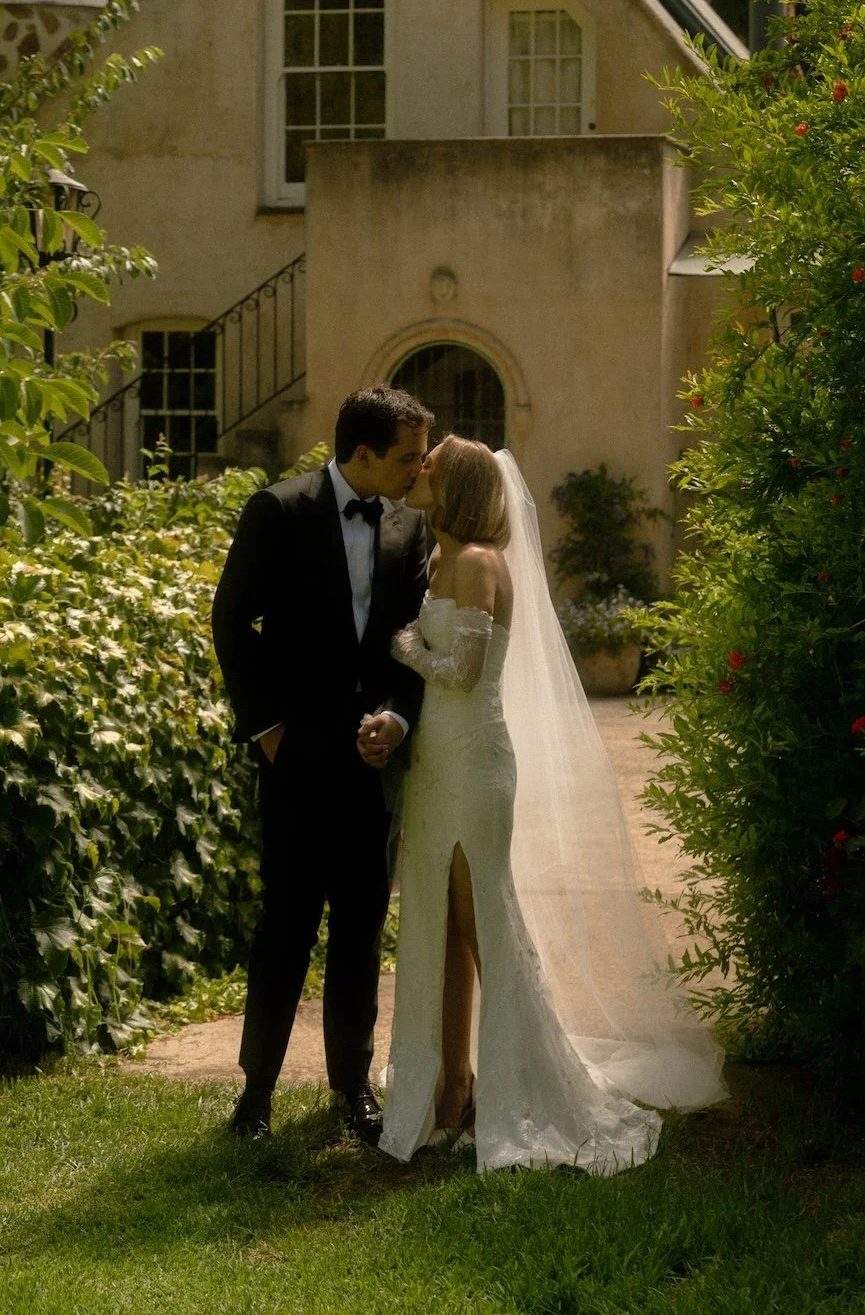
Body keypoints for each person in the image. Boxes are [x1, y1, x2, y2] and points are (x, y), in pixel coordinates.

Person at [380, 436, 727, 1174]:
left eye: (429, 464)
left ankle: (522, 1081)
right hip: (435, 764)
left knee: (482, 923)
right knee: (442, 925)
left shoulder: (480, 563)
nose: (417, 469)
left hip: (476, 765)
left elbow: (463, 672)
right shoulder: (439, 560)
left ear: (456, 486)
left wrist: (403, 645)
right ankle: (450, 1089)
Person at [210, 385, 432, 1143]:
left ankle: (353, 1087)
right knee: (286, 925)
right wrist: (267, 728)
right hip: (295, 753)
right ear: (362, 454)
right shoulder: (278, 510)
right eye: (407, 457)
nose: (419, 469)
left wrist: (397, 718)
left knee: (362, 927)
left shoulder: (410, 524)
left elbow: (413, 641)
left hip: (373, 762)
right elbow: (230, 619)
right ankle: (255, 1094)